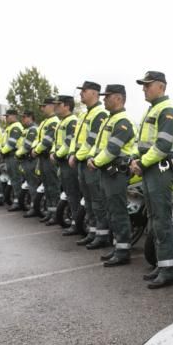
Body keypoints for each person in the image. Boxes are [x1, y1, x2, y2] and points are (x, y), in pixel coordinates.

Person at [131, 70, 173, 288]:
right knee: (153, 218)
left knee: (162, 219)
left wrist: (141, 163)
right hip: (149, 169)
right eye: (143, 85)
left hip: (159, 170)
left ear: (161, 86)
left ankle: (168, 270)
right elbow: (139, 142)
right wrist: (134, 158)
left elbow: (162, 146)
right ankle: (162, 265)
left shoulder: (168, 111)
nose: (144, 88)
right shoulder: (151, 110)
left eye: (147, 84)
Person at [87, 84, 137, 265]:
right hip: (106, 172)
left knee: (118, 212)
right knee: (110, 211)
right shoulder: (110, 119)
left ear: (118, 98)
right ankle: (118, 247)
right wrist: (92, 157)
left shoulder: (123, 121)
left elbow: (113, 149)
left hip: (116, 173)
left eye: (107, 96)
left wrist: (95, 161)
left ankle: (123, 251)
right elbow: (99, 145)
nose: (104, 99)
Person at [70, 81, 109, 244]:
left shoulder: (100, 113)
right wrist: (73, 152)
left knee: (97, 200)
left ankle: (102, 235)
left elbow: (92, 141)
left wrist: (77, 156)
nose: (81, 94)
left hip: (90, 163)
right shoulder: (84, 114)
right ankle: (93, 232)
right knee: (88, 200)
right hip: (81, 161)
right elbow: (75, 138)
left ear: (94, 93)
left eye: (84, 91)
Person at [50, 95, 80, 225]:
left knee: (73, 194)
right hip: (61, 162)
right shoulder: (62, 121)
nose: (55, 107)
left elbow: (69, 142)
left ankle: (76, 223)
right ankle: (75, 220)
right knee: (68, 193)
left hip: (68, 163)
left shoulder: (72, 121)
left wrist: (56, 155)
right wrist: (53, 152)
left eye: (59, 104)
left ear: (67, 106)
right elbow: (56, 142)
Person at [31, 98, 60, 221]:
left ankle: (56, 214)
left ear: (52, 106)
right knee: (47, 186)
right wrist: (34, 147)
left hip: (48, 157)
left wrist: (36, 150)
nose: (42, 108)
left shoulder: (53, 121)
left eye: (44, 106)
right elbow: (38, 139)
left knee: (53, 186)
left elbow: (47, 140)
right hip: (42, 157)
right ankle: (50, 211)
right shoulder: (44, 122)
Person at [12, 111, 39, 212]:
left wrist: (17, 154)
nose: (22, 119)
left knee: (33, 185)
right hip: (25, 160)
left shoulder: (33, 129)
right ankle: (34, 206)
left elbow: (27, 146)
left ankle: (34, 207)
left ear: (30, 117)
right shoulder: (26, 130)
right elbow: (19, 144)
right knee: (30, 184)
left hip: (30, 160)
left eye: (24, 117)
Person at [0, 109, 24, 207]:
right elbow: (4, 142)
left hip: (13, 155)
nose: (6, 118)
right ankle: (16, 199)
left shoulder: (16, 127)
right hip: (9, 155)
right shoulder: (10, 127)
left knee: (16, 179)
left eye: (7, 116)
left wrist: (2, 151)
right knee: (13, 179)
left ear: (14, 116)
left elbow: (11, 143)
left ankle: (18, 201)